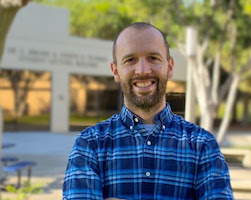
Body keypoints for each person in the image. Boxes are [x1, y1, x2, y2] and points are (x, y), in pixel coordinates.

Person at [63, 22, 233, 200]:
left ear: (170, 66)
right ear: (116, 71)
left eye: (153, 58)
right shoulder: (90, 145)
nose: (142, 70)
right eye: (130, 60)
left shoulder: (203, 145)